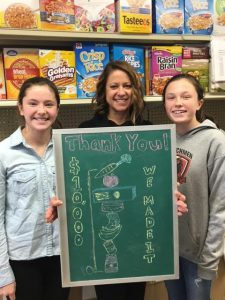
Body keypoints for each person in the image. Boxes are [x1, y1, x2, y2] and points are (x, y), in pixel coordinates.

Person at [46, 61, 187, 300]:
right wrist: (63, 202)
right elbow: (76, 182)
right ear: (104, 92)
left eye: (127, 85)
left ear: (134, 91)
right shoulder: (85, 131)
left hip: (138, 236)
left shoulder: (148, 130)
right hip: (101, 233)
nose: (121, 92)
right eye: (114, 86)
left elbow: (155, 182)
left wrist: (170, 194)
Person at [0, 77, 70, 300]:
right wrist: (4, 275)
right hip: (22, 260)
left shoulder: (68, 149)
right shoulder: (4, 153)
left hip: (63, 256)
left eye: (49, 104)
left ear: (57, 108)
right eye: (33, 103)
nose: (41, 111)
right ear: (21, 107)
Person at [162, 73, 225, 300]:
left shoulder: (216, 142)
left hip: (198, 254)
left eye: (185, 96)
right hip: (169, 249)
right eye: (171, 97)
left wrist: (210, 258)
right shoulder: (161, 140)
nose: (178, 103)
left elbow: (221, 207)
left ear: (199, 102)